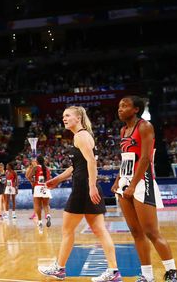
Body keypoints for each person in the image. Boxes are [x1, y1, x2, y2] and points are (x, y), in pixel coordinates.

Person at [39, 106, 121, 282]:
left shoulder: (81, 136)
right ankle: (114, 272)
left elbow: (91, 162)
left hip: (83, 188)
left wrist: (91, 186)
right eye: (63, 116)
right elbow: (76, 166)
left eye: (67, 115)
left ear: (78, 118)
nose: (64, 118)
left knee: (67, 231)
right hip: (87, 187)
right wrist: (58, 179)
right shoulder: (83, 136)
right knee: (100, 230)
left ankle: (59, 268)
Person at [114, 96, 177, 282]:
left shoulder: (144, 126)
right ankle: (147, 275)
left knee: (151, 232)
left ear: (136, 109)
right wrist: (119, 180)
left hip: (142, 181)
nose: (120, 109)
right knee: (136, 232)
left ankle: (172, 273)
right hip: (126, 183)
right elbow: (126, 159)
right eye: (119, 106)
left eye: (125, 106)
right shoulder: (123, 130)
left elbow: (145, 159)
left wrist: (133, 185)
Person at [30, 155, 52, 228]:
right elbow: (49, 179)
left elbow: (30, 176)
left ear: (37, 161)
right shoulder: (47, 169)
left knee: (38, 205)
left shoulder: (36, 168)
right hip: (46, 187)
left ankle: (40, 222)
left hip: (38, 187)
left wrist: (33, 182)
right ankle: (48, 215)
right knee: (46, 205)